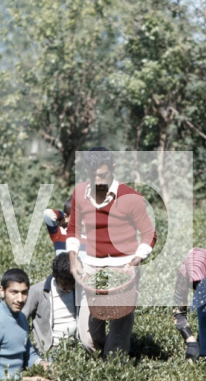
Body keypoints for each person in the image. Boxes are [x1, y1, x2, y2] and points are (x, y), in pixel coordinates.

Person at [66, 146, 157, 358]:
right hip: (93, 266)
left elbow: (149, 234)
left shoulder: (131, 198)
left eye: (103, 175)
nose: (98, 181)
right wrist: (73, 257)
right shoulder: (80, 193)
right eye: (93, 175)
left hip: (124, 265)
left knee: (119, 327)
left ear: (113, 168)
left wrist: (135, 260)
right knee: (89, 336)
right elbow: (74, 228)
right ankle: (104, 359)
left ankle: (115, 365)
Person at [0, 268, 54, 381]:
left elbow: (28, 354)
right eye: (14, 292)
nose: (20, 299)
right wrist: (25, 380)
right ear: (2, 291)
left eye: (24, 293)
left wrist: (43, 364)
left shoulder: (21, 318)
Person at [22, 253, 81, 357]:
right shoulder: (37, 291)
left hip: (75, 349)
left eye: (73, 283)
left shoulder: (79, 290)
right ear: (54, 275)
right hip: (49, 351)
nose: (69, 288)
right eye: (64, 283)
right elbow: (21, 319)